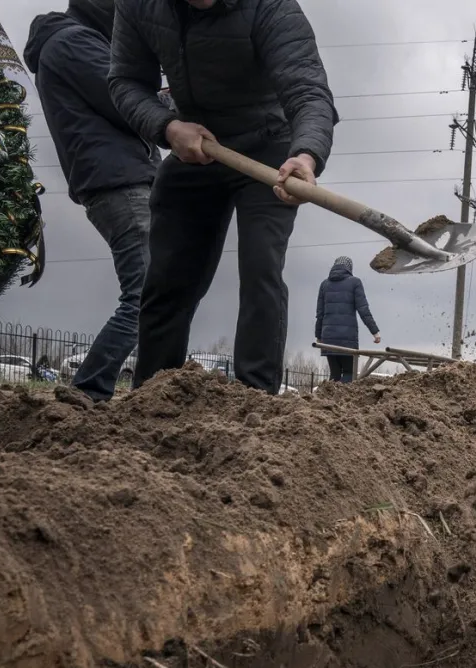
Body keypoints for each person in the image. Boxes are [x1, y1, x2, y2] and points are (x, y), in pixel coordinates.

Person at [108, 0, 337, 394]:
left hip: (268, 148)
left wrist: (306, 155)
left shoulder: (271, 6)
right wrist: (167, 127)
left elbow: (308, 91)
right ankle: (151, 398)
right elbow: (125, 81)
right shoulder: (138, 4)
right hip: (194, 143)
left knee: (260, 264)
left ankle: (255, 400)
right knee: (168, 278)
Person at [23, 0, 158, 402]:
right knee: (146, 294)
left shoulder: (70, 42)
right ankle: (89, 389)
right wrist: (170, 108)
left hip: (117, 180)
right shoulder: (74, 43)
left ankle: (146, 389)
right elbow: (127, 103)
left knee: (156, 291)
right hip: (121, 183)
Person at [315, 256, 380, 383]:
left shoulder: (324, 284)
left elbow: (320, 314)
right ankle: (343, 402)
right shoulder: (355, 282)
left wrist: (318, 336)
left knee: (334, 375)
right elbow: (363, 310)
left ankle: (327, 401)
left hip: (328, 338)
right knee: (349, 373)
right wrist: (375, 331)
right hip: (347, 339)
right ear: (349, 268)